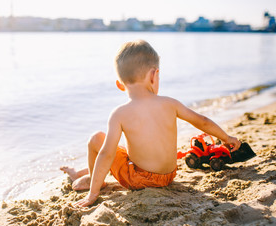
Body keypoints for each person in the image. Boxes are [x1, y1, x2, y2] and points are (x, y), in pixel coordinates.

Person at [60, 40, 241, 207]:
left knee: (96, 139)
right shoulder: (171, 103)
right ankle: (86, 174)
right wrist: (227, 137)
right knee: (120, 148)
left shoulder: (119, 113)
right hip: (169, 176)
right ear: (154, 76)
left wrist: (93, 194)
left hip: (140, 180)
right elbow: (202, 121)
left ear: (120, 85)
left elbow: (107, 153)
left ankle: (94, 179)